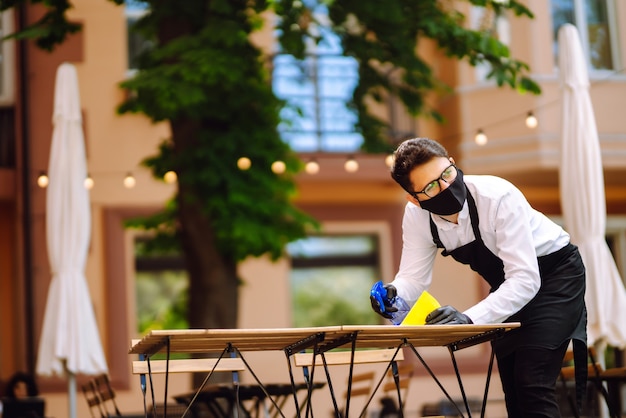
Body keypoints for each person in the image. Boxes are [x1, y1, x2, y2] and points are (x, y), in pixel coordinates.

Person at [369, 138, 587, 417]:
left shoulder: (497, 196)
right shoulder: (416, 217)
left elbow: (525, 278)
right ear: (414, 198)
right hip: (507, 287)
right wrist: (393, 292)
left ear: (452, 162)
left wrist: (469, 318)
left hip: (556, 276)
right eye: (431, 187)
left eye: (446, 174)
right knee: (513, 390)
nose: (446, 186)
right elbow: (413, 278)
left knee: (532, 382)